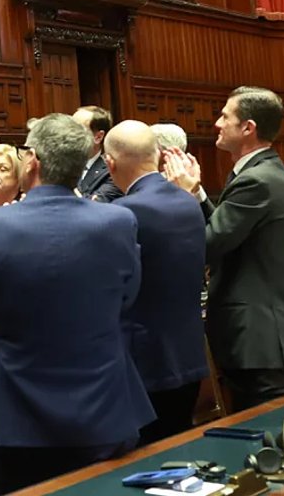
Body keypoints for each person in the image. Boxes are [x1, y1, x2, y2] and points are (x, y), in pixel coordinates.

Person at [0, 114, 152, 493]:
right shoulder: (118, 222)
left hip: (18, 411)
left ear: (31, 160)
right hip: (103, 404)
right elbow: (128, 299)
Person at [163, 86, 284, 410]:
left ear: (247, 128)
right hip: (259, 335)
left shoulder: (257, 180)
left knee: (266, 436)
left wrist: (183, 196)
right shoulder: (263, 174)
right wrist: (197, 194)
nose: (216, 123)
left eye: (225, 116)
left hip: (257, 337)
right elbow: (227, 232)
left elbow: (209, 245)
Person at [104, 120, 207, 444]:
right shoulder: (188, 202)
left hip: (143, 364)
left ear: (110, 163)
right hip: (189, 356)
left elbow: (114, 289)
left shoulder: (122, 213)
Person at [73, 105, 123, 202]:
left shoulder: (112, 172)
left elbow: (93, 205)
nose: (68, 134)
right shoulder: (61, 164)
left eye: (77, 130)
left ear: (98, 137)